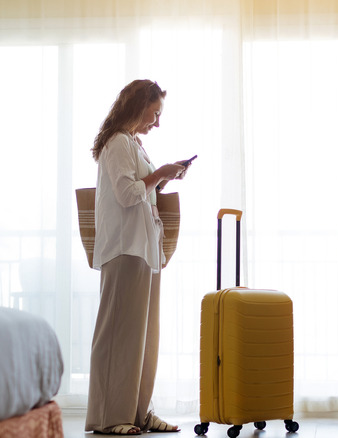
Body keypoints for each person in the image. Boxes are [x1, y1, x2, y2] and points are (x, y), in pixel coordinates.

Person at [85, 79, 190, 435]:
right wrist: (159, 174)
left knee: (145, 338)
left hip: (144, 249)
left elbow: (140, 191)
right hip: (125, 249)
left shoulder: (135, 145)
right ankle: (111, 416)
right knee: (119, 335)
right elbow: (128, 194)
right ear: (139, 104)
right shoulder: (117, 143)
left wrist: (161, 179)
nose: (157, 122)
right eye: (155, 112)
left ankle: (139, 412)